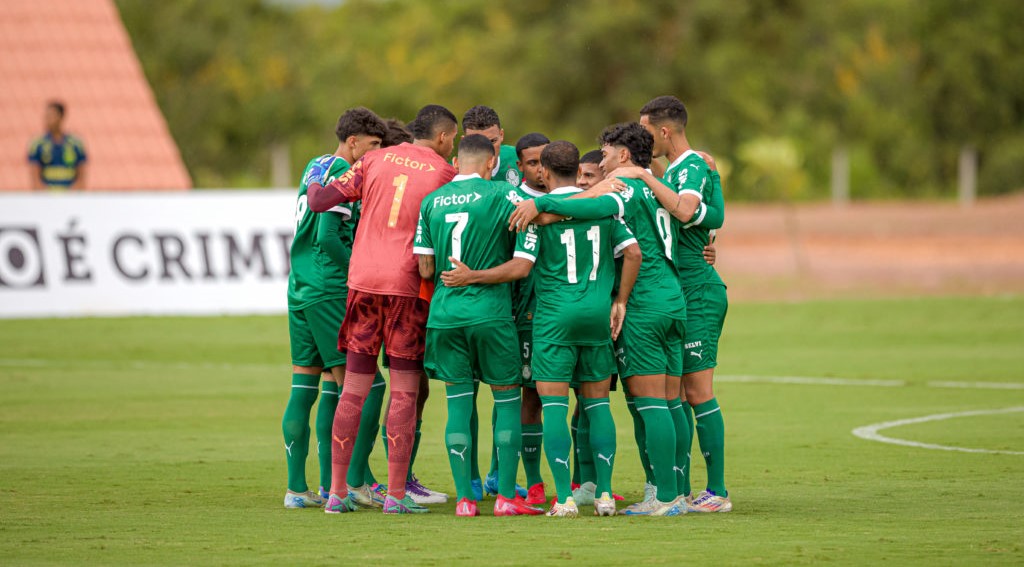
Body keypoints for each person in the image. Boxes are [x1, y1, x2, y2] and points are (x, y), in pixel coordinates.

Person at [512, 122, 690, 516]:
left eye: (606, 152)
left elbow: (527, 261)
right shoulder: (648, 184)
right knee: (661, 403)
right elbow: (645, 241)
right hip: (666, 299)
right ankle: (647, 490)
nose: (603, 160)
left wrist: (541, 205)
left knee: (646, 404)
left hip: (606, 311)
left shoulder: (618, 192)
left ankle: (658, 497)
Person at [306, 104, 458, 514]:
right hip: (408, 286)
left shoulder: (371, 158)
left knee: (353, 386)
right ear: (443, 138)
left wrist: (320, 173)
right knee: (405, 389)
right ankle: (394, 495)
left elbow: (320, 200)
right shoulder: (446, 174)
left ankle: (336, 493)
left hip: (362, 283)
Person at [414, 134, 544, 517]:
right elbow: (522, 266)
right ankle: (505, 497)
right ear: (491, 163)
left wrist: (454, 273)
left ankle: (465, 501)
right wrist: (476, 275)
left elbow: (424, 267)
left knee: (457, 405)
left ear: (456, 161)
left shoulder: (430, 201)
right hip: (491, 315)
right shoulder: (506, 195)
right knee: (506, 402)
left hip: (445, 316)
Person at [518, 141, 641, 517]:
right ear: (578, 170)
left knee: (553, 406)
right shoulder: (604, 209)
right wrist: (619, 300)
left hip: (555, 318)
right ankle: (604, 494)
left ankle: (563, 499)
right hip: (596, 315)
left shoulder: (535, 214)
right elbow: (633, 252)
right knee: (598, 404)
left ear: (544, 172)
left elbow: (522, 265)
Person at [623, 95, 730, 513]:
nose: (642, 139)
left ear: (663, 131)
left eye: (646, 131)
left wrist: (644, 176)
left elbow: (687, 210)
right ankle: (681, 489)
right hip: (682, 289)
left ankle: (717, 491)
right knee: (680, 394)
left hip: (697, 291)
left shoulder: (689, 166)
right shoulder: (688, 167)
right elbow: (713, 216)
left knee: (697, 390)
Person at [282, 107, 388, 509]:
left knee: (311, 386)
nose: (375, 154)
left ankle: (302, 488)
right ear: (354, 141)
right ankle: (353, 481)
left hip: (300, 285)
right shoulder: (344, 171)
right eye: (374, 146)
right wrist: (359, 274)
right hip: (328, 286)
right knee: (367, 386)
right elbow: (328, 235)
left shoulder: (315, 164)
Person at [28, 101, 87, 190]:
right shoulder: (38, 145)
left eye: (51, 116)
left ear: (61, 117)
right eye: (46, 116)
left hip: (70, 199)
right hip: (46, 199)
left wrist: (71, 197)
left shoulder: (75, 144)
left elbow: (81, 178)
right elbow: (35, 179)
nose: (47, 120)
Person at [461, 105, 522, 186]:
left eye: (492, 141)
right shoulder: (451, 172)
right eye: (477, 144)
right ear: (464, 142)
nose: (487, 150)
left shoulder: (519, 157)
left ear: (501, 135)